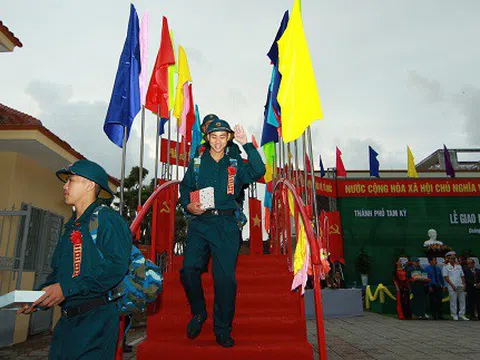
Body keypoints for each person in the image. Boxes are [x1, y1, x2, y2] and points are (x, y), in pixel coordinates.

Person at [17, 160, 132, 359]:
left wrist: (66, 288)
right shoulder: (72, 226)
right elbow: (57, 272)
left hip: (96, 320)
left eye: (71, 180)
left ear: (89, 185)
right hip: (67, 322)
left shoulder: (107, 220)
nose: (65, 186)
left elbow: (116, 267)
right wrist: (39, 297)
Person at [179, 119, 265, 347]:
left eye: (222, 136)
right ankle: (198, 312)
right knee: (188, 270)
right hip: (200, 222)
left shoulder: (235, 162)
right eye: (213, 136)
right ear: (207, 138)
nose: (217, 141)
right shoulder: (197, 163)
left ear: (228, 138)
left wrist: (246, 144)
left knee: (225, 280)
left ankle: (223, 329)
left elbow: (259, 170)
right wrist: (188, 205)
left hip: (226, 224)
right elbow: (185, 187)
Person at [442, 251, 468, 321]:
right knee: (453, 301)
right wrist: (452, 285)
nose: (453, 260)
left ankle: (462, 314)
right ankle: (454, 315)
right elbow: (446, 277)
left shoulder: (459, 266)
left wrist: (464, 284)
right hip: (452, 286)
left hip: (460, 285)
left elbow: (462, 276)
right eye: (451, 259)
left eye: (454, 258)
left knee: (462, 300)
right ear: (449, 259)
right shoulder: (446, 267)